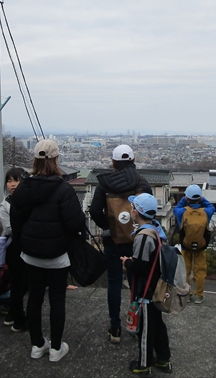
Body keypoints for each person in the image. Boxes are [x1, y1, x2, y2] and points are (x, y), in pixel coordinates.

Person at [9, 140, 85, 363]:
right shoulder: (64, 189)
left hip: (30, 253)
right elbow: (75, 223)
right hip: (58, 254)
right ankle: (55, 348)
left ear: (35, 159)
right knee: (57, 298)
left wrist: (24, 241)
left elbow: (16, 220)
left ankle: (37, 345)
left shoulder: (23, 187)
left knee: (34, 297)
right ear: (56, 159)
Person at [89, 144, 152, 344]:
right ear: (133, 160)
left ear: (114, 162)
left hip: (112, 240)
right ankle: (137, 323)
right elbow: (149, 212)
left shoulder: (104, 184)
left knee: (114, 282)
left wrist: (109, 226)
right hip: (138, 240)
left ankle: (115, 327)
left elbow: (94, 211)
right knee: (137, 281)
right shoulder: (143, 183)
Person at [120, 193, 172, 375]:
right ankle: (164, 360)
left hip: (146, 291)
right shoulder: (155, 230)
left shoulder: (143, 236)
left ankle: (144, 365)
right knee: (158, 326)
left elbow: (140, 266)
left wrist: (127, 262)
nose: (131, 210)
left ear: (137, 212)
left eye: (133, 207)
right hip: (156, 287)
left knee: (146, 330)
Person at [173, 184, 215, 304]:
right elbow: (210, 205)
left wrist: (185, 199)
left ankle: (187, 293)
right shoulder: (207, 212)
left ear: (187, 198)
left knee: (185, 270)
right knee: (200, 271)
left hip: (185, 246)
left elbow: (178, 206)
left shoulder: (181, 212)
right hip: (201, 246)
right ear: (200, 198)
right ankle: (199, 295)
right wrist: (202, 199)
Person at [0, 167, 29, 332]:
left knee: (25, 282)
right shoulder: (5, 205)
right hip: (15, 247)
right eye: (9, 181)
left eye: (16, 180)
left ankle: (12, 313)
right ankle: (18, 320)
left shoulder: (28, 200)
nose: (12, 184)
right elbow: (9, 229)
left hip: (27, 245)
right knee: (18, 283)